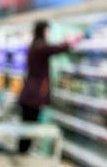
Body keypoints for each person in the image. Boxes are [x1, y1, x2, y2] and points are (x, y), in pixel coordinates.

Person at [17, 20, 81, 152]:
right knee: (29, 129)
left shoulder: (35, 44)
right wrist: (71, 41)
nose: (49, 33)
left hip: (29, 94)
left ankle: (23, 153)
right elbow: (54, 49)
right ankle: (23, 154)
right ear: (43, 31)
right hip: (32, 96)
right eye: (48, 30)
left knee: (27, 128)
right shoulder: (40, 46)